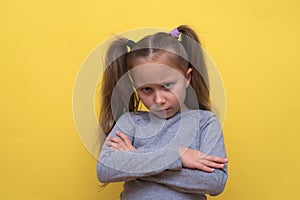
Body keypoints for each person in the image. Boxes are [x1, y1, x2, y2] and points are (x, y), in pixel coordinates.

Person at [96, 25, 228, 200]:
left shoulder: (204, 122)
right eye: (147, 89)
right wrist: (177, 155)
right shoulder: (130, 122)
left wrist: (135, 159)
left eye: (167, 86)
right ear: (136, 87)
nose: (158, 100)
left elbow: (215, 182)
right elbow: (105, 169)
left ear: (187, 77)